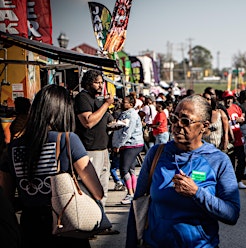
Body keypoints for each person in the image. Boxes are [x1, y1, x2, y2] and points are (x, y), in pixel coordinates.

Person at [125, 95, 240, 248]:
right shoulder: (156, 154)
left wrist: (196, 193)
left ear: (204, 126)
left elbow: (231, 214)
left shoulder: (218, 160)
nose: (178, 125)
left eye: (186, 121)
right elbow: (137, 205)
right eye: (174, 119)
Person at [0, 84, 104, 247]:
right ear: (64, 111)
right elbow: (97, 192)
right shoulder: (68, 140)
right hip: (66, 225)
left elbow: (5, 197)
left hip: (30, 229)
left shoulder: (13, 147)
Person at [74, 70, 119, 235]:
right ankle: (91, 224)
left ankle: (101, 223)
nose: (101, 86)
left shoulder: (96, 100)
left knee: (103, 189)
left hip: (102, 149)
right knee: (90, 189)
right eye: (97, 82)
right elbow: (88, 122)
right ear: (87, 83)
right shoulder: (82, 98)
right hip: (90, 150)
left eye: (102, 82)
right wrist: (106, 105)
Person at [112, 95, 145, 205]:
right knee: (130, 169)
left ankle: (130, 193)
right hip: (132, 144)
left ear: (131, 104)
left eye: (125, 102)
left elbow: (127, 133)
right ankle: (134, 192)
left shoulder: (131, 115)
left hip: (131, 144)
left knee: (123, 169)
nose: (122, 103)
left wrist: (118, 145)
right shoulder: (126, 113)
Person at [223, 90, 246, 189]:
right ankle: (231, 181)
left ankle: (238, 180)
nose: (229, 101)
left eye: (230, 98)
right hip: (228, 139)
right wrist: (235, 120)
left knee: (242, 160)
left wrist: (241, 119)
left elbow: (242, 119)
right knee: (230, 161)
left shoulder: (237, 107)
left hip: (238, 138)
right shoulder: (221, 110)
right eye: (227, 99)